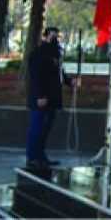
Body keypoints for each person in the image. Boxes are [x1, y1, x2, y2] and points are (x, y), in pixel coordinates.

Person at [26, 27, 76, 168]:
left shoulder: (55, 55)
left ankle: (41, 156)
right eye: (52, 36)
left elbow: (59, 73)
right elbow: (36, 77)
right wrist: (40, 96)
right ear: (45, 36)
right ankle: (32, 157)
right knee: (36, 129)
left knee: (44, 130)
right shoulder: (38, 53)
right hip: (41, 99)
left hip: (52, 99)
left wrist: (70, 81)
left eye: (57, 37)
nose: (55, 39)